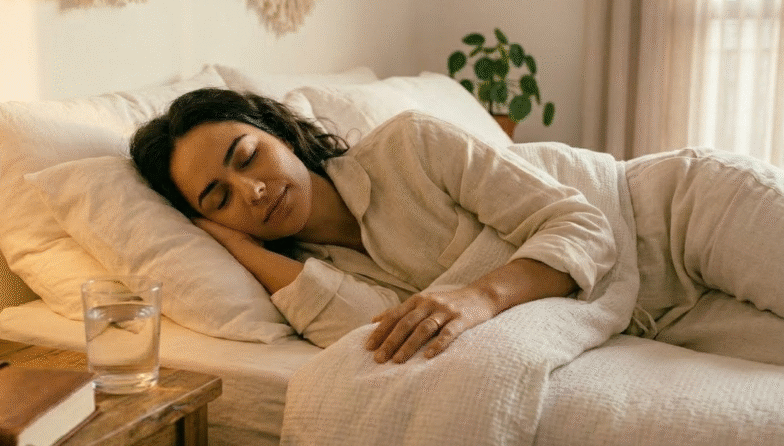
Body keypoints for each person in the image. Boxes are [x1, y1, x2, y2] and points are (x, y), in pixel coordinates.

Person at [131, 87, 784, 366]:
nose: (252, 189)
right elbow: (375, 335)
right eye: (219, 197)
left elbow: (579, 221)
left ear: (279, 133)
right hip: (647, 313)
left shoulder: (408, 145)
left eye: (248, 156)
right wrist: (236, 245)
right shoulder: (318, 277)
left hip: (673, 216)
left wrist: (481, 295)